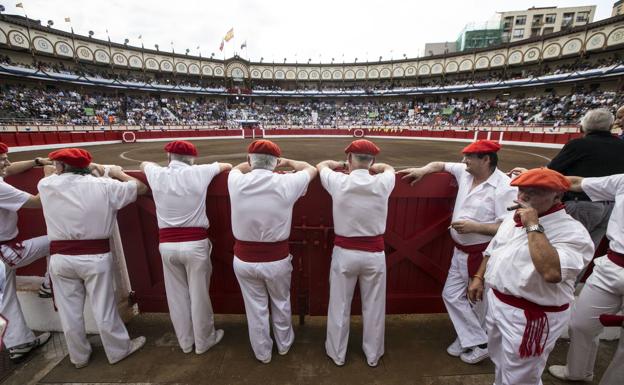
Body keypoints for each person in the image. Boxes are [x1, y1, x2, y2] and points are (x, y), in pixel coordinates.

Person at [468, 168, 594, 385]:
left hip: (530, 316)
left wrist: (533, 226)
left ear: (558, 195)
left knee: (521, 377)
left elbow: (552, 272)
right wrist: (479, 277)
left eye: (534, 192)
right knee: (501, 363)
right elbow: (494, 249)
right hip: (498, 304)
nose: (523, 196)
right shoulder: (513, 217)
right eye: (521, 190)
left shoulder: (573, 232)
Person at [399, 140, 517, 364]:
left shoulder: (506, 186)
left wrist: (476, 227)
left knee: (478, 301)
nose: (464, 162)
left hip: (484, 255)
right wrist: (424, 170)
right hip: (460, 251)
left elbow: (509, 227)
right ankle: (474, 339)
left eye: (469, 158)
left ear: (486, 160)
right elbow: (440, 165)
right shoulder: (466, 173)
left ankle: (477, 342)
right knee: (451, 294)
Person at [38, 148, 149, 368]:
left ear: (60, 166)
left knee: (69, 312)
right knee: (104, 307)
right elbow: (141, 188)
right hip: (95, 257)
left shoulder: (47, 184)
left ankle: (78, 357)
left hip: (61, 259)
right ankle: (118, 350)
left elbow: (49, 170)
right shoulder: (105, 185)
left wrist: (65, 166)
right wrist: (113, 171)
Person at [228, 139, 316, 364]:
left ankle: (262, 353)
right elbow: (310, 168)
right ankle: (284, 345)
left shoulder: (235, 180)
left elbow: (236, 169)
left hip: (244, 259)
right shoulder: (286, 182)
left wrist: (251, 163)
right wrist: (285, 162)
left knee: (255, 308)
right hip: (276, 259)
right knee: (281, 302)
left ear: (249, 160)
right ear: (276, 163)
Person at [140, 140, 231, 354]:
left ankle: (185, 342)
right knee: (199, 295)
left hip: (167, 245)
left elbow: (144, 164)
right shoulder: (200, 172)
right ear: (192, 159)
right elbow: (225, 166)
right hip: (195, 244)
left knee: (176, 296)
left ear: (169, 158)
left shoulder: (156, 173)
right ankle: (203, 341)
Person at [317, 139, 395, 367]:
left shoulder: (338, 180)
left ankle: (337, 354)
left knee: (339, 305)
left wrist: (338, 162)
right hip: (374, 255)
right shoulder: (384, 181)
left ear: (350, 159)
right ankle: (373, 355)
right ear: (372, 161)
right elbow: (389, 169)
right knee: (374, 306)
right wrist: (377, 167)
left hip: (345, 253)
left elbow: (322, 165)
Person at [547, 173, 624, 384]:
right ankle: (577, 371)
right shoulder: (622, 180)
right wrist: (542, 177)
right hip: (612, 264)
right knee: (581, 324)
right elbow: (577, 183)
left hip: (613, 263)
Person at [0, 142, 53, 362]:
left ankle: (18, 342)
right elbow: (37, 202)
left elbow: (9, 170)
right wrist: (49, 176)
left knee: (6, 300)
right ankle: (49, 284)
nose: (7, 162)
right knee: (58, 240)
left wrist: (36, 161)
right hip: (6, 252)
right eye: (2, 158)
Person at [546, 108, 624, 247]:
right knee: (587, 250)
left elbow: (551, 171)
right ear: (610, 126)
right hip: (611, 207)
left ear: (584, 126)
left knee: (564, 246)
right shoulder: (621, 145)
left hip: (581, 203)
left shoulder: (578, 144)